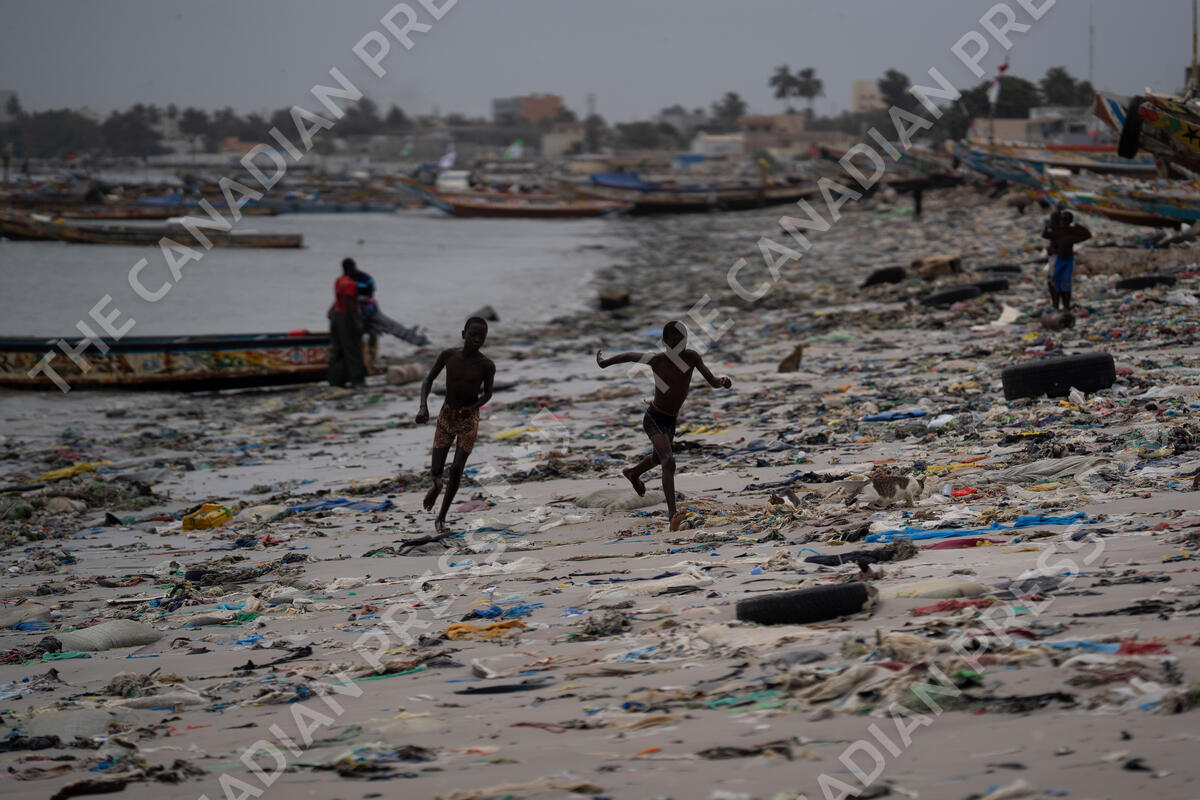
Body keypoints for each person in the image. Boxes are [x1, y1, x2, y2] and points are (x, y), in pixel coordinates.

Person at [596, 321, 732, 529]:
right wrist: (604, 363)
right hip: (654, 418)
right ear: (666, 342)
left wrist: (722, 381)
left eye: (682, 341)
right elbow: (629, 356)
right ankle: (672, 514)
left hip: (670, 419)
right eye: (674, 341)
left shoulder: (692, 357)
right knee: (668, 461)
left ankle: (633, 473)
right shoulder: (657, 360)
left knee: (657, 459)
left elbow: (711, 381)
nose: (679, 346)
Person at [415, 317, 495, 532]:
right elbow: (428, 380)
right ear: (463, 334)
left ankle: (441, 517)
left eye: (481, 337)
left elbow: (488, 393)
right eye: (472, 335)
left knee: (457, 468)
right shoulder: (449, 356)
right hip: (446, 416)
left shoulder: (486, 365)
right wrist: (423, 407)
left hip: (469, 419)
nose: (476, 340)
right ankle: (436, 486)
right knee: (436, 470)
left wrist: (474, 406)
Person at [1041, 209, 1092, 310]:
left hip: (1063, 258)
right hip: (1060, 257)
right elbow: (1046, 235)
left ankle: (1062, 306)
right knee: (1059, 282)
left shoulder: (1066, 230)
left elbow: (1087, 235)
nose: (1064, 222)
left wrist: (1075, 226)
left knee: (1060, 282)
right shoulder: (1061, 230)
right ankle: (1061, 306)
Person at [327, 257, 365, 387]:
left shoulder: (339, 280)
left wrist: (331, 311)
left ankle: (336, 380)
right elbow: (348, 302)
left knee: (337, 350)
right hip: (345, 317)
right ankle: (357, 380)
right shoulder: (351, 284)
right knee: (352, 349)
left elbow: (338, 297)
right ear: (350, 268)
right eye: (354, 267)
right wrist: (356, 322)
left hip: (336, 315)